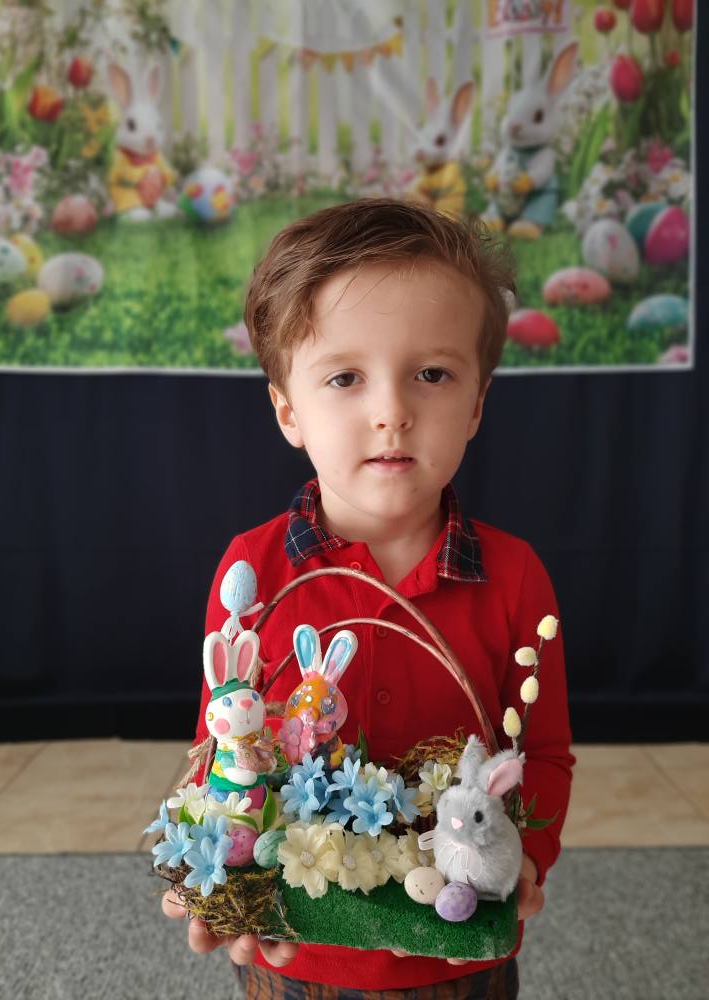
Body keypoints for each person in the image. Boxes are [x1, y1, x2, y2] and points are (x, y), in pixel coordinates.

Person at [162, 198, 575, 998]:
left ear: (477, 403)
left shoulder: (516, 577)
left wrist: (526, 856)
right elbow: (217, 746)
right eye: (345, 378)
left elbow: (545, 755)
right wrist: (208, 862)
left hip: (458, 952)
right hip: (298, 952)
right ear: (289, 409)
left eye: (432, 374)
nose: (391, 412)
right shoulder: (252, 572)